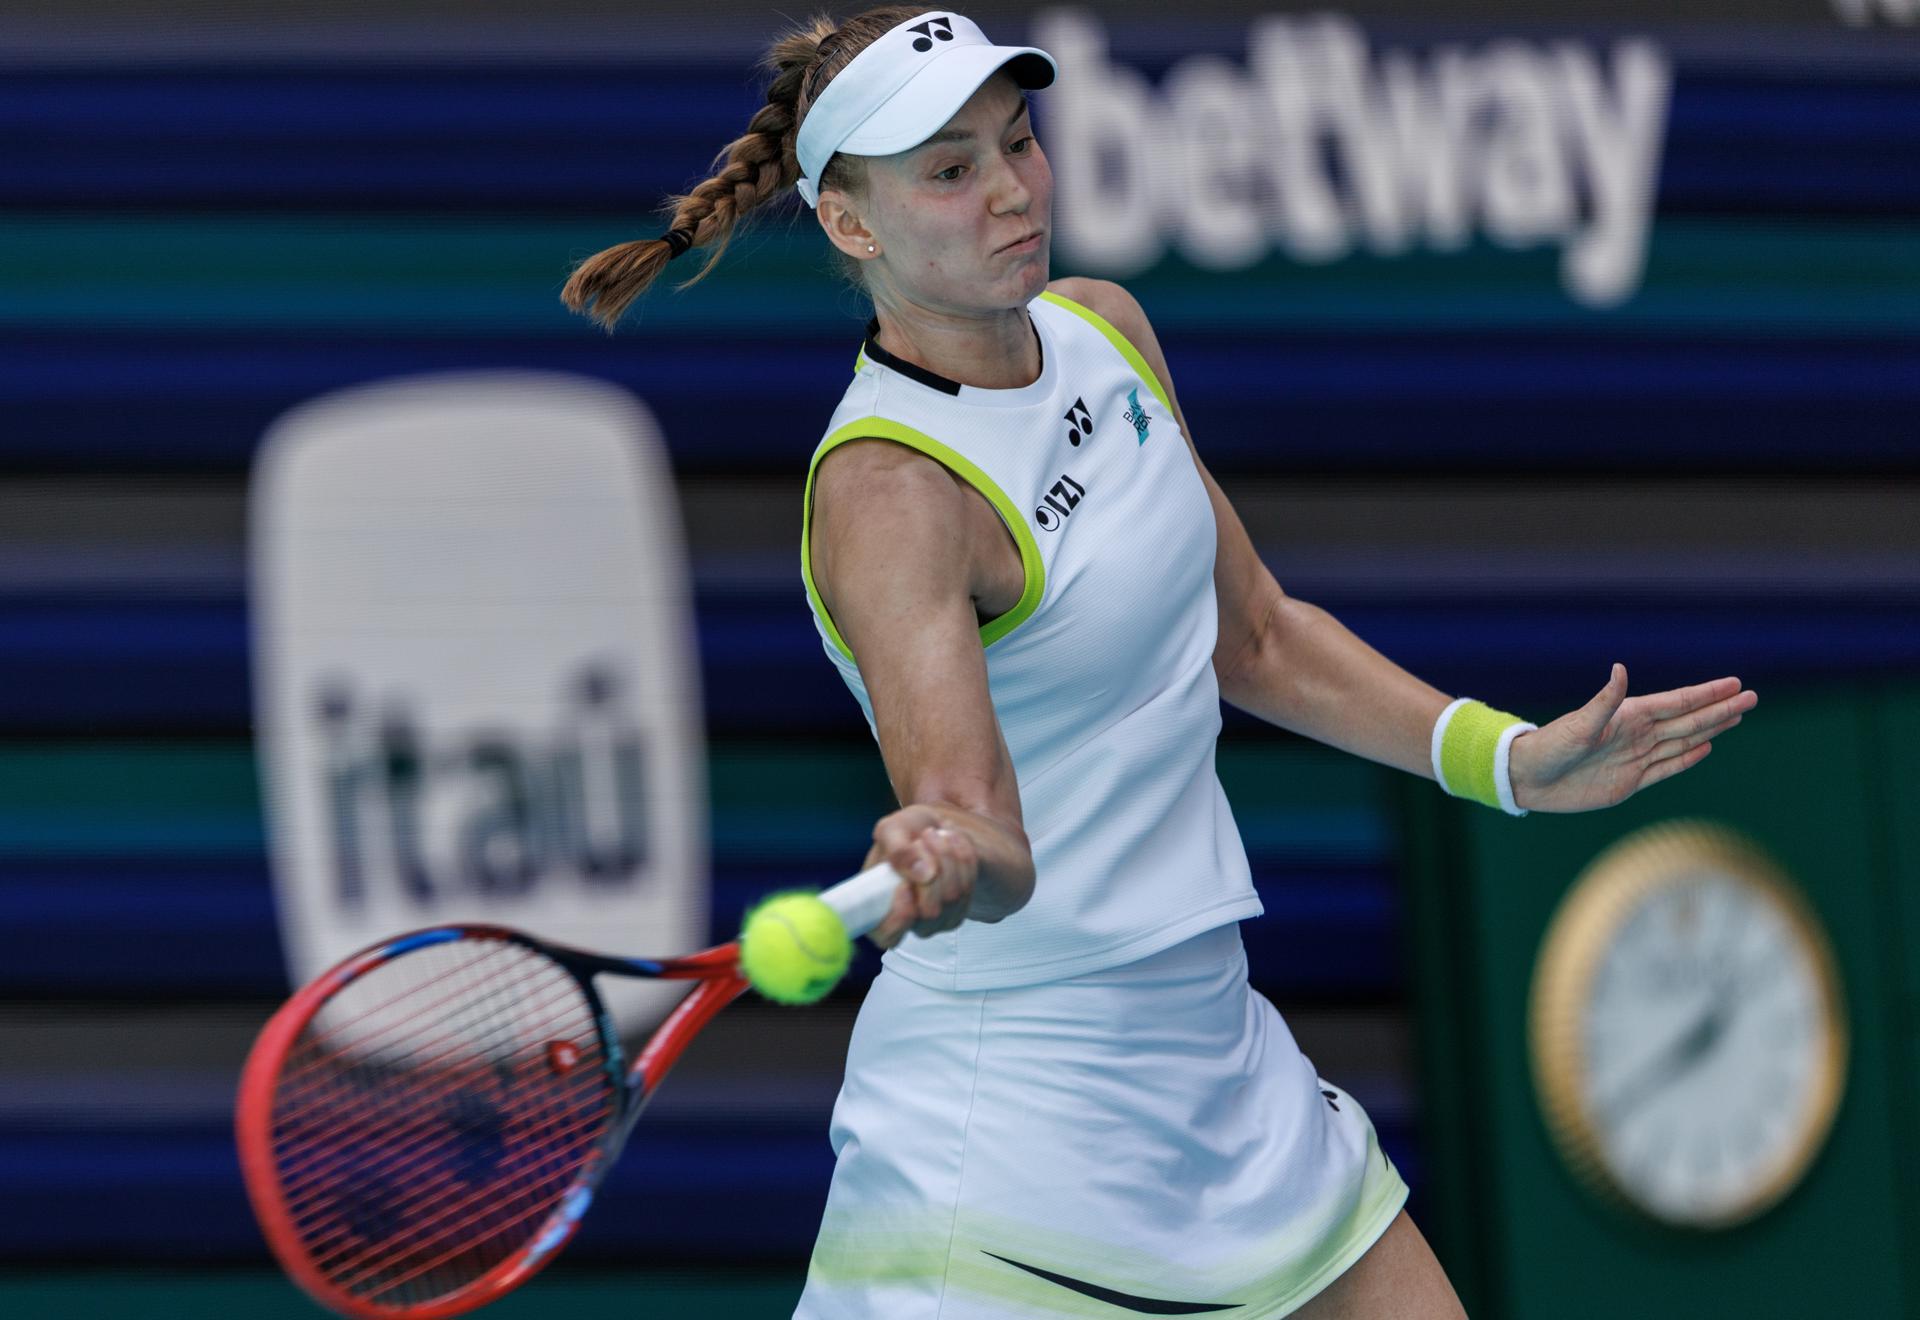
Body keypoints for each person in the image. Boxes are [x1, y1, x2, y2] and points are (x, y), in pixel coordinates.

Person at [561, 8, 1759, 1316]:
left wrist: (1506, 762)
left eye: (1018, 142)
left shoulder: (1103, 328)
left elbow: (1251, 631)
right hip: (1016, 1148)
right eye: (950, 172)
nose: (1013, 189)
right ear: (854, 225)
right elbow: (985, 829)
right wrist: (945, 849)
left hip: (1220, 1068)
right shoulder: (893, 497)